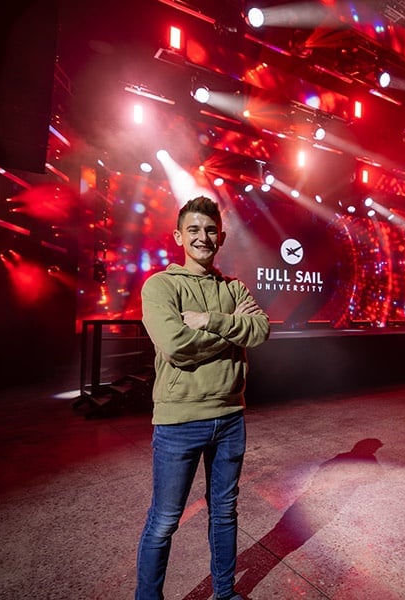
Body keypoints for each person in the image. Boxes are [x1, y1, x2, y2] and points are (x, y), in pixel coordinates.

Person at [135, 196, 270, 600]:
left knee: (224, 514)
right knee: (165, 520)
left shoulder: (234, 288)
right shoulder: (161, 285)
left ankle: (224, 593)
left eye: (210, 230)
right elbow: (177, 345)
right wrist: (233, 334)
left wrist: (211, 321)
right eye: (193, 229)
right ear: (179, 236)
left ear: (221, 237)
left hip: (230, 416)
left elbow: (261, 329)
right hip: (179, 421)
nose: (202, 236)